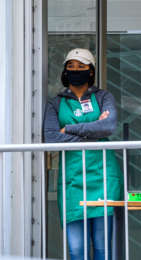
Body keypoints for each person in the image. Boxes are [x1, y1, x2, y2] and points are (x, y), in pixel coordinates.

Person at [43, 48, 123, 260]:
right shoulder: (55, 103)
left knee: (103, 248)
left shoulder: (103, 96)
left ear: (91, 71)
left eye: (81, 66)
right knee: (77, 250)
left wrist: (69, 129)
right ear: (65, 71)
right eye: (71, 66)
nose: (75, 70)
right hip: (72, 181)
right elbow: (51, 137)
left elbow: (109, 126)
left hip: (103, 177)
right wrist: (93, 130)